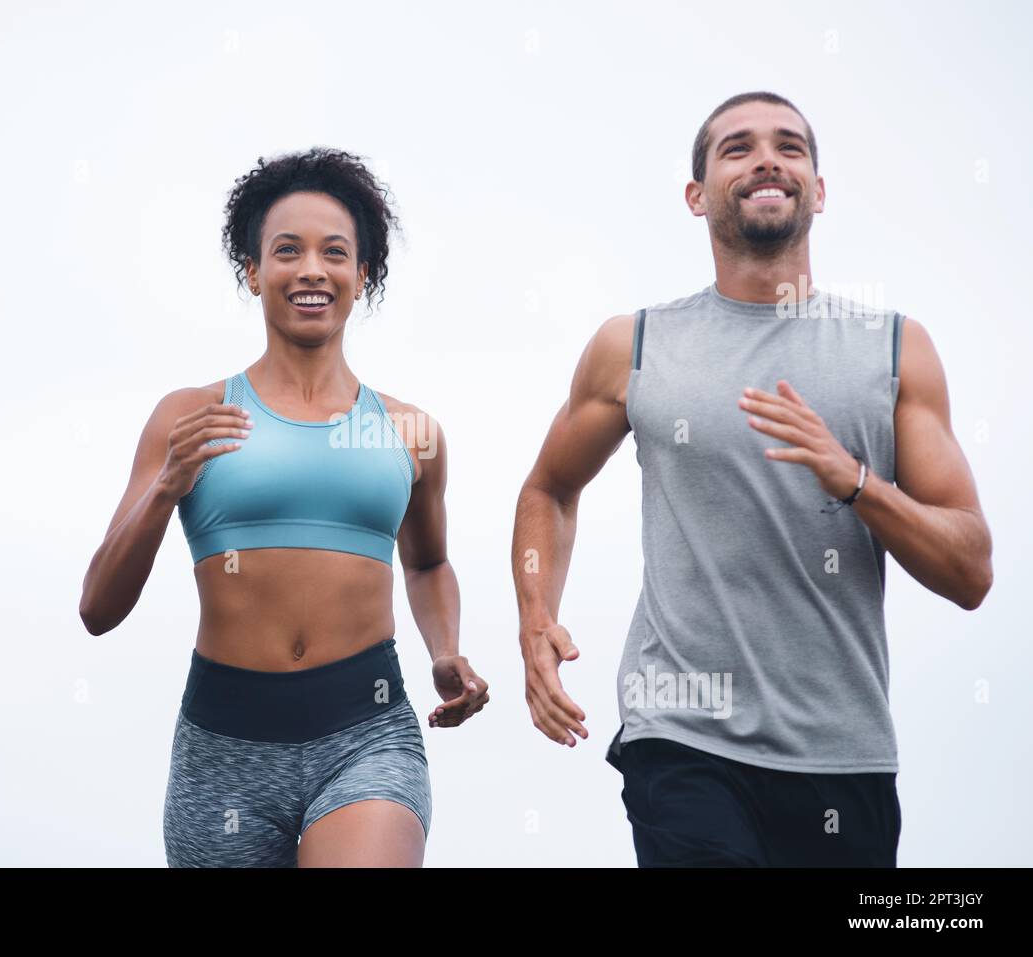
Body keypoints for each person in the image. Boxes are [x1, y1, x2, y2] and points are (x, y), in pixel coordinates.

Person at [511, 92, 993, 867]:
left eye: (790, 147)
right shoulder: (633, 345)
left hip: (844, 756)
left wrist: (856, 481)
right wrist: (536, 619)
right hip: (682, 735)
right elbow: (548, 489)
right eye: (737, 147)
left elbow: (970, 568)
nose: (768, 158)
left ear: (819, 189)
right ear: (696, 195)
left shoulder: (896, 350)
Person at [80, 147, 489, 867]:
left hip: (367, 732)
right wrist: (167, 486)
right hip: (224, 744)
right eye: (286, 250)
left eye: (335, 252)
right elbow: (97, 607)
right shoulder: (191, 414)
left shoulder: (409, 431)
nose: (311, 270)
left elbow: (428, 564)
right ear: (253, 270)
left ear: (362, 277)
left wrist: (446, 650)